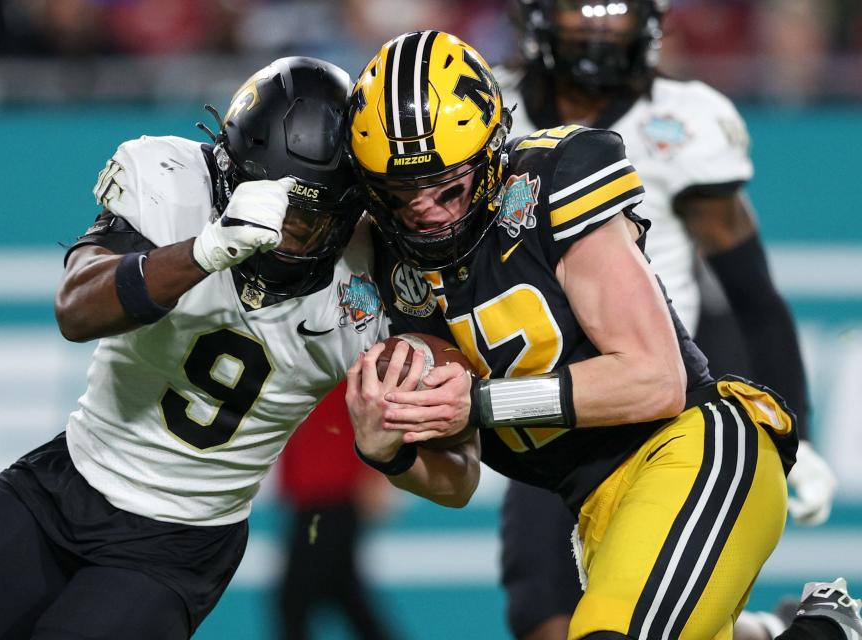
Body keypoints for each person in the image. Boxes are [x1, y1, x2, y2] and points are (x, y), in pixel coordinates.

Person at [343, 30, 860, 640]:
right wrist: (388, 451)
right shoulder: (386, 267)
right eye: (401, 194)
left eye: (447, 187)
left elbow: (656, 379)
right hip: (597, 511)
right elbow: (459, 480)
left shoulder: (551, 182)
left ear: (488, 160)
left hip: (694, 447)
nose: (426, 209)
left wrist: (481, 403)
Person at [0, 56, 387, 640]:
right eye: (273, 206)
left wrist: (403, 449)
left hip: (178, 542)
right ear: (231, 175)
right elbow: (76, 308)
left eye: (309, 218)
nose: (283, 234)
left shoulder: (371, 279)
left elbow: (451, 462)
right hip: (68, 480)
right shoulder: (173, 179)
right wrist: (203, 252)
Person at [495, 1, 839, 638]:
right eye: (582, 7)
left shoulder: (680, 121)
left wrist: (803, 428)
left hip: (650, 410)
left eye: (616, 9)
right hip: (538, 416)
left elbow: (752, 296)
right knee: (546, 619)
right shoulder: (485, 110)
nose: (600, 26)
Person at [275, 382, 397, 640]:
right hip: (314, 496)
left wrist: (376, 475)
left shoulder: (348, 362)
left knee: (295, 598)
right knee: (344, 593)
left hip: (333, 495)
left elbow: (375, 414)